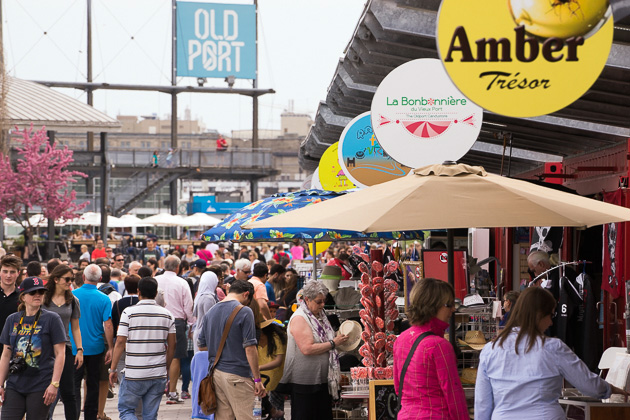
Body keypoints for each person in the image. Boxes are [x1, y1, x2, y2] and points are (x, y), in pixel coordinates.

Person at [475, 286, 629, 419]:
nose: (551, 322)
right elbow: (589, 385)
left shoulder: (490, 350)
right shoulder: (553, 348)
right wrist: (612, 389)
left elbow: (483, 403)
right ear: (539, 315)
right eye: (551, 315)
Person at [393, 278, 468, 420]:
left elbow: (398, 387)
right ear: (433, 305)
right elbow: (453, 395)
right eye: (449, 304)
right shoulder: (439, 345)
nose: (453, 309)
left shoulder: (401, 339)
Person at [276, 281, 349, 420]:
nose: (322, 305)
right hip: (304, 383)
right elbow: (307, 348)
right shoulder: (300, 318)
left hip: (321, 381)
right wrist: (333, 343)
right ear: (307, 299)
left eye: (324, 301)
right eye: (318, 302)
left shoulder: (320, 315)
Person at [197, 280, 266, 420]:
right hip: (238, 375)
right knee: (249, 416)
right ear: (246, 294)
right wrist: (257, 379)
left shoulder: (211, 311)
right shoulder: (245, 311)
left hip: (216, 374)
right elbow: (250, 348)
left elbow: (201, 345)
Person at [109, 277, 176, 420]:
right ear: (156, 292)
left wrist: (113, 369)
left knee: (127, 411)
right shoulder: (168, 315)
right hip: (158, 373)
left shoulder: (128, 312)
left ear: (138, 291)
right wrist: (167, 366)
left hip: (134, 373)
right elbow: (172, 345)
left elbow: (120, 341)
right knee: (150, 415)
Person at [0, 277, 66, 419]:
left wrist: (54, 384)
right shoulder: (12, 319)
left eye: (41, 292)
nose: (37, 295)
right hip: (15, 383)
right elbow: (6, 354)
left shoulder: (52, 319)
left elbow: (60, 353)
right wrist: (0, 384)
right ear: (23, 297)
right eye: (33, 292)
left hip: (41, 384)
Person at [72, 264, 114, 420]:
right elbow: (108, 325)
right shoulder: (104, 298)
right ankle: (91, 416)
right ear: (100, 279)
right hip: (96, 347)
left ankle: (73, 414)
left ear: (83, 277)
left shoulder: (72, 295)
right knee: (93, 384)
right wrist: (110, 347)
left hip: (75, 348)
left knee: (74, 386)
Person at [44, 265, 83, 420]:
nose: (70, 282)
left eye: (72, 279)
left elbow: (75, 327)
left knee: (69, 391)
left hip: (65, 348)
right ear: (56, 279)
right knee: (43, 389)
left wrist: (79, 349)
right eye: (67, 279)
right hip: (44, 348)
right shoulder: (43, 297)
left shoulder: (72, 300)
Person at [154, 256, 194, 404]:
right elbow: (188, 306)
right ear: (178, 267)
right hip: (176, 322)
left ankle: (157, 390)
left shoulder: (156, 280)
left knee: (158, 354)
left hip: (156, 320)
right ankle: (171, 392)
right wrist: (191, 323)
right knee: (176, 356)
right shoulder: (182, 282)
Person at [258, 319, 287, 418]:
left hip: (276, 379)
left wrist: (258, 368)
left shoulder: (276, 338)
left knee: (277, 412)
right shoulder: (253, 339)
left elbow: (278, 361)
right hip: (259, 379)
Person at [0, 255, 22, 359]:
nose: (8, 275)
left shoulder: (23, 297)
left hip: (14, 349)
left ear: (18, 273)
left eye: (12, 272)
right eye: (5, 271)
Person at [192, 271, 219, 353]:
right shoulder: (208, 298)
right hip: (205, 336)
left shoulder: (202, 295)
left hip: (201, 333)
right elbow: (210, 319)